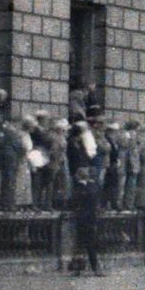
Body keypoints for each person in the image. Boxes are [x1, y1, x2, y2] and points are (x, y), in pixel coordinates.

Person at [65, 111, 104, 275]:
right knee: (87, 235)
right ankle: (93, 267)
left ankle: (81, 266)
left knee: (84, 236)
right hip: (84, 202)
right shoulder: (75, 148)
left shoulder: (79, 147)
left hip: (87, 200)